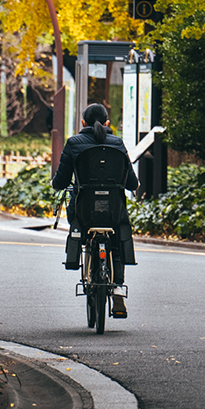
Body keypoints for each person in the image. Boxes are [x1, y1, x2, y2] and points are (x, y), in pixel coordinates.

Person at [52, 102, 138, 318]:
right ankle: (117, 286)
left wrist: (58, 183)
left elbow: (61, 181)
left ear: (83, 123)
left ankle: (80, 252)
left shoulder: (74, 143)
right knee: (117, 239)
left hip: (83, 211)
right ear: (107, 123)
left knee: (79, 226)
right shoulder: (117, 143)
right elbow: (132, 183)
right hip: (113, 211)